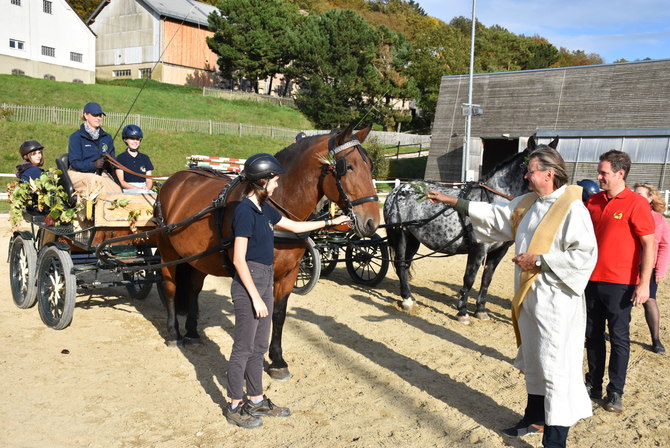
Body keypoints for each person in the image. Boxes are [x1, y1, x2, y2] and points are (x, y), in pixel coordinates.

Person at [426, 145, 597, 448]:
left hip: (556, 301)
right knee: (534, 359)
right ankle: (533, 419)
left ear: (549, 173)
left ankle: (556, 440)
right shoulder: (529, 202)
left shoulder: (572, 208)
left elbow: (584, 256)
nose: (526, 176)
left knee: (555, 366)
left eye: (531, 170)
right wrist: (453, 201)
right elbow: (496, 216)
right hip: (529, 296)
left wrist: (540, 262)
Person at [225, 152, 351, 429]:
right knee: (243, 348)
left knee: (258, 347)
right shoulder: (244, 211)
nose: (277, 184)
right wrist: (256, 297)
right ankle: (235, 404)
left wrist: (330, 222)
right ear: (261, 181)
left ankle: (256, 398)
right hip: (250, 282)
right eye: (274, 180)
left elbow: (294, 226)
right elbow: (238, 259)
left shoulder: (263, 207)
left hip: (265, 277)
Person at [584, 150, 655, 414]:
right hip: (590, 281)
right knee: (591, 336)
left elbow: (649, 245)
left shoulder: (636, 203)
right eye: (599, 172)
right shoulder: (592, 201)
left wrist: (644, 283)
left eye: (603, 173)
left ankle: (615, 392)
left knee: (619, 338)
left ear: (620, 173)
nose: (598, 176)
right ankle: (593, 385)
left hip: (621, 284)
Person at [633, 182, 669, 354]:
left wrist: (660, 270)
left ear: (649, 198)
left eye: (640, 194)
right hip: (628, 264)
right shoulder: (629, 213)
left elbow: (664, 246)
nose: (635, 196)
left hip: (648, 266)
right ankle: (620, 334)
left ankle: (656, 339)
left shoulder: (659, 220)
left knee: (650, 300)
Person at [67, 102, 122, 197]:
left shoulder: (107, 138)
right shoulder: (76, 137)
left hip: (100, 174)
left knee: (117, 190)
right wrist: (94, 165)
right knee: (96, 182)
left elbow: (113, 159)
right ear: (86, 115)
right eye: (95, 115)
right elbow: (75, 163)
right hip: (78, 174)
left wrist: (109, 162)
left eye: (100, 115)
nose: (98, 118)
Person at [115, 124, 154, 193]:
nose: (135, 142)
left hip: (144, 189)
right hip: (128, 189)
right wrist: (137, 188)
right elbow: (122, 182)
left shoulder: (145, 158)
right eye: (132, 139)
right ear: (125, 140)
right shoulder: (120, 158)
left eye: (137, 139)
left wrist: (147, 188)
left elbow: (149, 179)